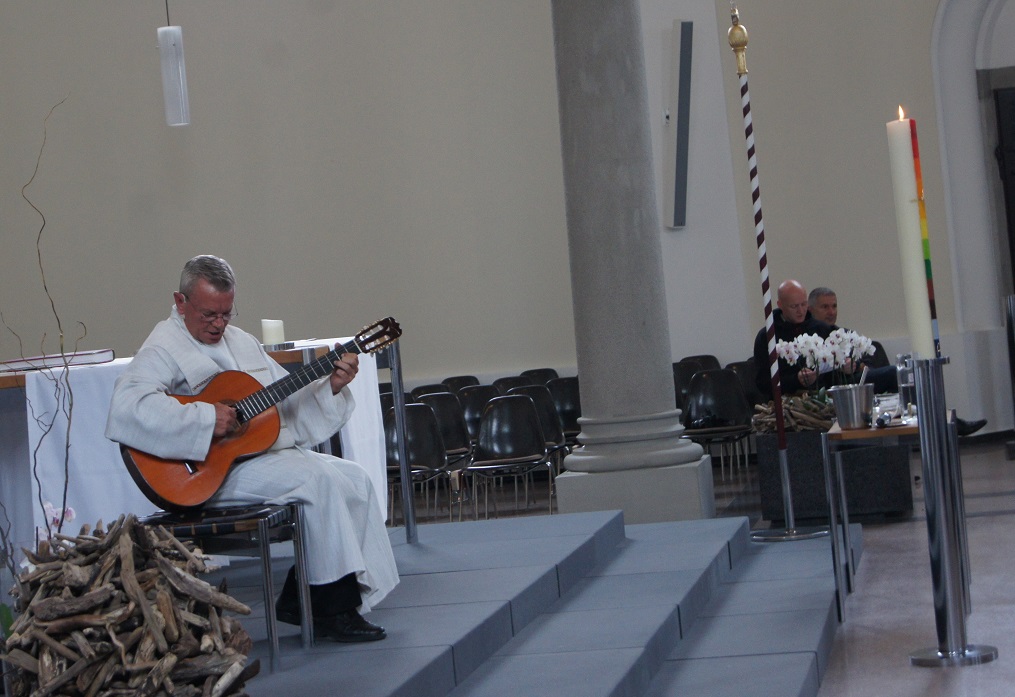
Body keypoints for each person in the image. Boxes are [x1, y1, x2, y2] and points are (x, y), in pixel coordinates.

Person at [106, 255, 398, 642]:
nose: (219, 324)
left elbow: (283, 402)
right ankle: (333, 610)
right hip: (207, 474)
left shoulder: (242, 342)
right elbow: (127, 408)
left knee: (355, 479)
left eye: (226, 313)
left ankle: (303, 596)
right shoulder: (163, 347)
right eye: (209, 314)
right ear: (180, 302)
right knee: (316, 479)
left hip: (259, 460)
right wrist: (205, 419)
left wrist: (330, 385)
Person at [807, 285, 986, 436]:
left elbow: (868, 359)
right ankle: (943, 424)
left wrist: (858, 366)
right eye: (825, 307)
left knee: (907, 377)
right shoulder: (809, 339)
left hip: (857, 381)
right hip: (838, 388)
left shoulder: (843, 333)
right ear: (811, 309)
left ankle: (935, 423)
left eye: (834, 306)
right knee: (896, 373)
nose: (831, 312)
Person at [753, 279, 834, 399]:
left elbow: (834, 371)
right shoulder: (768, 336)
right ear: (780, 305)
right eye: (794, 306)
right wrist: (795, 380)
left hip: (823, 397)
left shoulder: (821, 329)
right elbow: (763, 383)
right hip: (786, 401)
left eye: (804, 304)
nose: (800, 311)